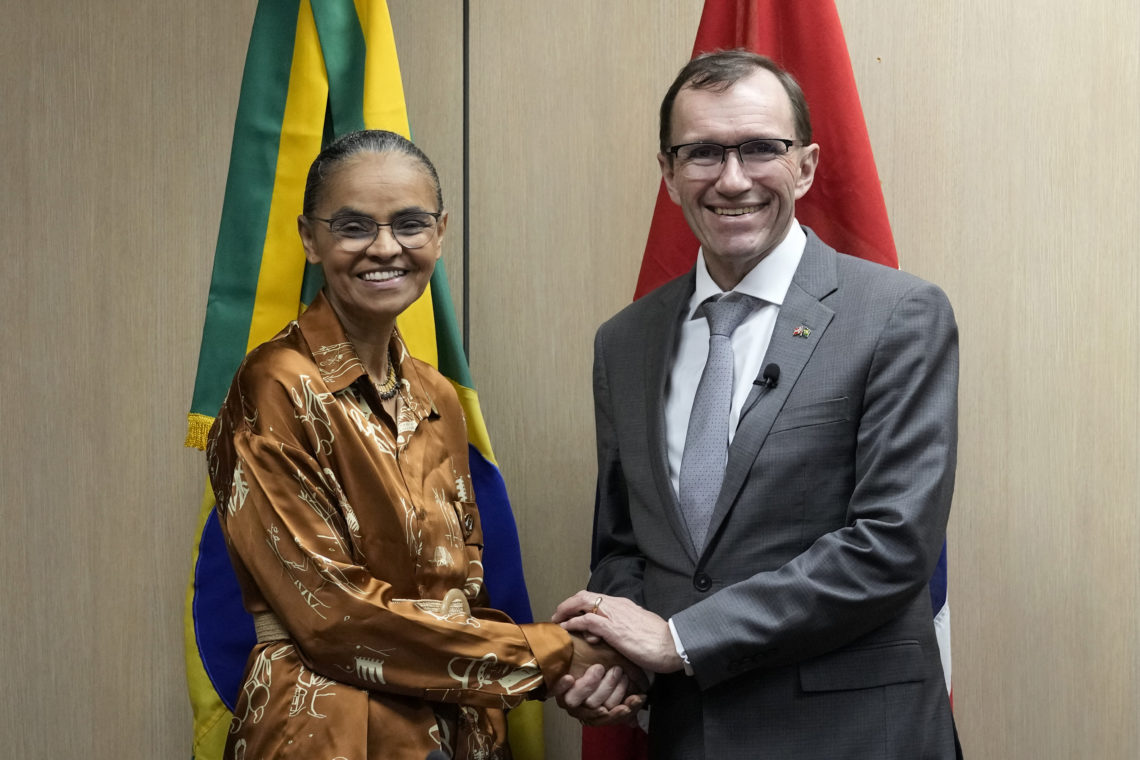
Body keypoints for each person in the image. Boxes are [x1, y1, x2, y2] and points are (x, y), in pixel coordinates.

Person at [552, 51, 962, 758]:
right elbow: (624, 544)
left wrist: (680, 639)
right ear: (668, 172)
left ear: (804, 166)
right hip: (690, 734)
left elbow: (892, 544)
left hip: (854, 738)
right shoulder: (624, 341)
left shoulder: (898, 316)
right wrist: (618, 652)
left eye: (760, 149)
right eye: (703, 152)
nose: (732, 178)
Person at [207, 129, 643, 760]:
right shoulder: (275, 384)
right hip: (329, 730)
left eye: (410, 224)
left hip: (453, 729)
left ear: (439, 233)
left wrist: (574, 675)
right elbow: (333, 617)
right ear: (310, 238)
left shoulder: (435, 395)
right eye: (353, 226)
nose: (385, 247)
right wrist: (554, 657)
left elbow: (461, 598)